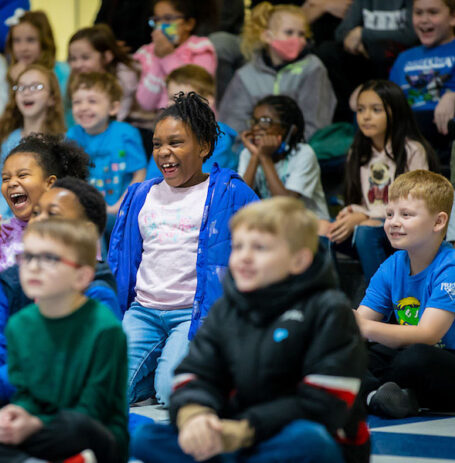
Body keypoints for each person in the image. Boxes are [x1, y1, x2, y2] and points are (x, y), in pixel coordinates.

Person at [132, 197, 369, 463]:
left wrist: (246, 430)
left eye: (260, 248)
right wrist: (195, 414)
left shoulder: (329, 310)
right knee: (147, 438)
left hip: (295, 436)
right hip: (233, 436)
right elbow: (195, 375)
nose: (244, 257)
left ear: (298, 260)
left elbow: (325, 402)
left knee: (309, 442)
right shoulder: (225, 309)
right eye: (238, 246)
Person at [0, 218, 128, 463]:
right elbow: (25, 393)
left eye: (48, 259)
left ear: (81, 276)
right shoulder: (21, 324)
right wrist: (15, 412)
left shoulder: (104, 328)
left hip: (85, 429)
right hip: (33, 429)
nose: (33, 268)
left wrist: (33, 423)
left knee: (76, 426)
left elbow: (94, 407)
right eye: (28, 258)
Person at [108, 92, 258, 406]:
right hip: (143, 312)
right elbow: (123, 263)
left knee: (172, 394)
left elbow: (265, 244)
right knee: (109, 391)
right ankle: (163, 361)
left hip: (193, 316)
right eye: (157, 144)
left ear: (203, 147)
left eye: (176, 143)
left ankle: (185, 365)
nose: (164, 152)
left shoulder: (230, 192)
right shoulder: (140, 195)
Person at [0, 178, 120, 411]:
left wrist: (2, 383)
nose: (38, 220)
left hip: (69, 403)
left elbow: (70, 357)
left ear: (86, 231)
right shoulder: (14, 278)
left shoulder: (96, 289)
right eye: (37, 212)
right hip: (12, 394)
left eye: (53, 214)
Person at [355, 170, 455, 418]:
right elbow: (359, 324)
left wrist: (362, 327)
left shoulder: (450, 267)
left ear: (438, 222)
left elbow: (428, 335)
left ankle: (374, 394)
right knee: (350, 352)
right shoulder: (392, 265)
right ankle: (380, 398)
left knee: (415, 356)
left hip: (442, 361)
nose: (393, 222)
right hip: (409, 361)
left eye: (406, 215)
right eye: (389, 214)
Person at [0, 133, 90, 316]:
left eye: (22, 175)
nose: (12, 183)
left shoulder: (74, 232)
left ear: (50, 183)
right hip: (1, 330)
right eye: (5, 179)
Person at [328, 80, 439, 283]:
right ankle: (334, 306)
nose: (366, 116)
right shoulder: (357, 151)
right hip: (370, 222)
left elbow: (416, 205)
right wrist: (353, 211)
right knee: (324, 231)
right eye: (361, 110)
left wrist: (364, 217)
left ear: (395, 112)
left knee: (364, 232)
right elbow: (363, 202)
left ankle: (381, 307)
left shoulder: (413, 150)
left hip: (403, 226)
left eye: (376, 109)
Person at [219, 2, 335, 140]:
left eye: (302, 34)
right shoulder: (246, 75)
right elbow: (233, 125)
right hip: (251, 153)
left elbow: (316, 124)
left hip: (299, 153)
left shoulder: (313, 68)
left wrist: (286, 149)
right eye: (289, 32)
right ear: (267, 36)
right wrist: (254, 149)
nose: (297, 39)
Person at [316, 0, 418, 122]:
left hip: (399, 61)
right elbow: (341, 33)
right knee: (327, 50)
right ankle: (347, 119)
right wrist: (354, 41)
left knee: (381, 49)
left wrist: (363, 33)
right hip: (367, 60)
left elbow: (411, 35)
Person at [66, 72, 147, 217]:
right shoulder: (71, 136)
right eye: (77, 102)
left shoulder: (126, 133)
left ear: (113, 108)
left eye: (92, 101)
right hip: (84, 213)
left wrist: (120, 206)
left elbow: (139, 174)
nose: (83, 107)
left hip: (122, 211)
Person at [239, 95, 330, 223]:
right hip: (275, 227)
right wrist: (255, 156)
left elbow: (287, 205)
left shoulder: (303, 153)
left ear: (289, 129)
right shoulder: (248, 153)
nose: (256, 128)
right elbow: (239, 201)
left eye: (265, 121)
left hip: (310, 226)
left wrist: (265, 157)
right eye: (255, 121)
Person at [0, 64, 65, 219]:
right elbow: (2, 185)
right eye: (21, 87)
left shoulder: (62, 141)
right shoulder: (9, 140)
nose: (27, 92)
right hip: (14, 219)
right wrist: (3, 222)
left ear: (52, 98)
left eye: (36, 86)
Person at [145, 64, 238, 178]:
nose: (177, 104)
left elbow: (204, 180)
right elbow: (151, 179)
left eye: (184, 98)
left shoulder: (218, 135)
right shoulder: (165, 134)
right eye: (171, 98)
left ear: (207, 100)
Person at [389, 0, 455, 158]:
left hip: (447, 132)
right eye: (418, 13)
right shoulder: (404, 58)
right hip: (409, 134)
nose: (424, 20)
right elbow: (391, 99)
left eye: (433, 12)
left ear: (453, 17)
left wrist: (453, 96)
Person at [133, 0, 217, 112]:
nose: (160, 25)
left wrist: (167, 56)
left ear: (189, 24)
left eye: (168, 19)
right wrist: (158, 58)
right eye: (157, 20)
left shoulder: (201, 48)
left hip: (196, 121)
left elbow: (193, 94)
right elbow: (146, 103)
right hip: (164, 122)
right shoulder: (146, 53)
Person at [4, 10, 72, 127]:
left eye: (31, 40)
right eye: (17, 40)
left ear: (44, 41)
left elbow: (60, 106)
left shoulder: (62, 70)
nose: (23, 48)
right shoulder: (11, 72)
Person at [67, 24, 139, 121]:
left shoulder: (123, 77)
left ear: (107, 56)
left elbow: (119, 118)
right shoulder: (76, 78)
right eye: (73, 58)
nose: (78, 64)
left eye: (85, 57)